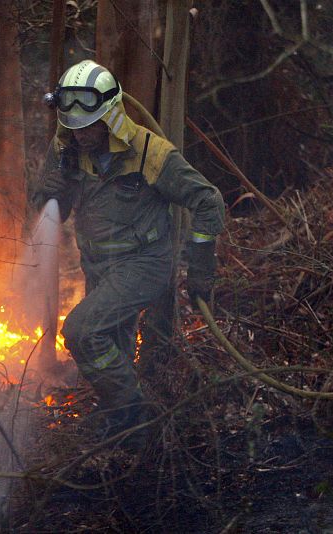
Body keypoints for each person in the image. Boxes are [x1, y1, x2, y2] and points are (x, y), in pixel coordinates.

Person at [30, 59, 225, 446]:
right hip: (98, 267)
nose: (82, 135)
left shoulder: (150, 154)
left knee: (82, 331)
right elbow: (53, 210)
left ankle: (135, 418)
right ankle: (125, 422)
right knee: (111, 349)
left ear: (112, 116)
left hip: (143, 264)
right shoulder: (67, 147)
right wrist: (51, 188)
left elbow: (208, 200)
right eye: (74, 127)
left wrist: (200, 270)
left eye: (89, 126)